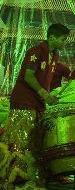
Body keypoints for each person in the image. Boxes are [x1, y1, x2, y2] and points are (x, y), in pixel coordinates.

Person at [0, 23, 70, 187]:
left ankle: (34, 174)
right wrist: (45, 95)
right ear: (51, 37)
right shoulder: (36, 52)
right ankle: (14, 176)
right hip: (24, 101)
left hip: (38, 103)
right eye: (63, 39)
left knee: (36, 141)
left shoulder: (54, 56)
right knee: (20, 141)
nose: (64, 42)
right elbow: (28, 76)